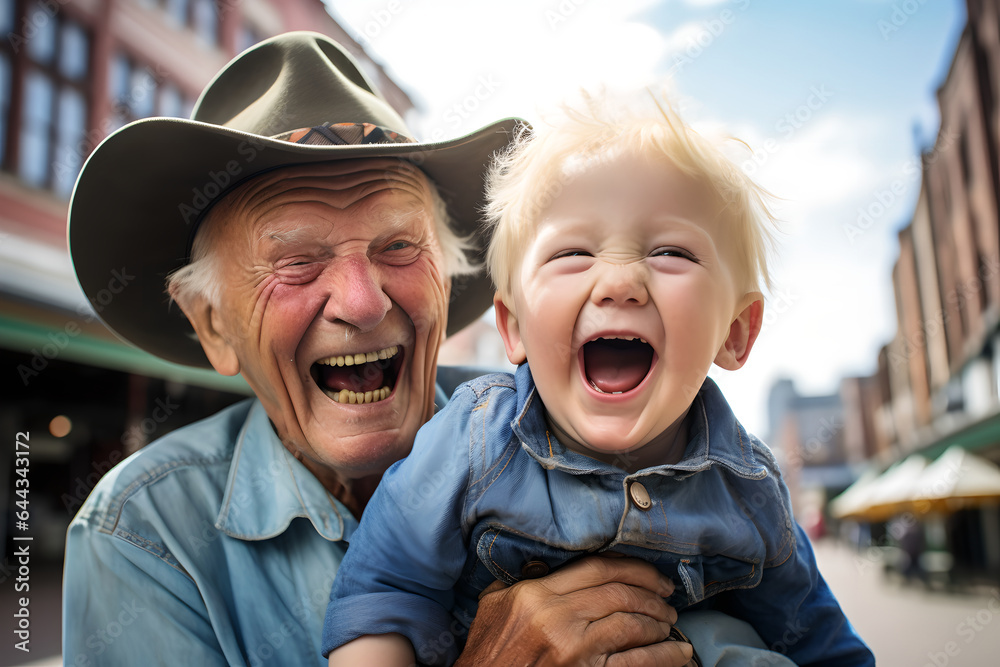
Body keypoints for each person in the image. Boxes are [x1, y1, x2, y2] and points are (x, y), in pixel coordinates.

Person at [62, 32, 698, 666]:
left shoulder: (578, 427)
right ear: (213, 326)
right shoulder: (143, 533)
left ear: (447, 284)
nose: (363, 303)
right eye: (296, 261)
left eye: (398, 247)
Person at [323, 94, 877, 667]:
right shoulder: (471, 438)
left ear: (735, 331)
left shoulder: (750, 489)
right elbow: (382, 592)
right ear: (513, 329)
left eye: (670, 251)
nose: (619, 281)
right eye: (573, 252)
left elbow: (822, 644)